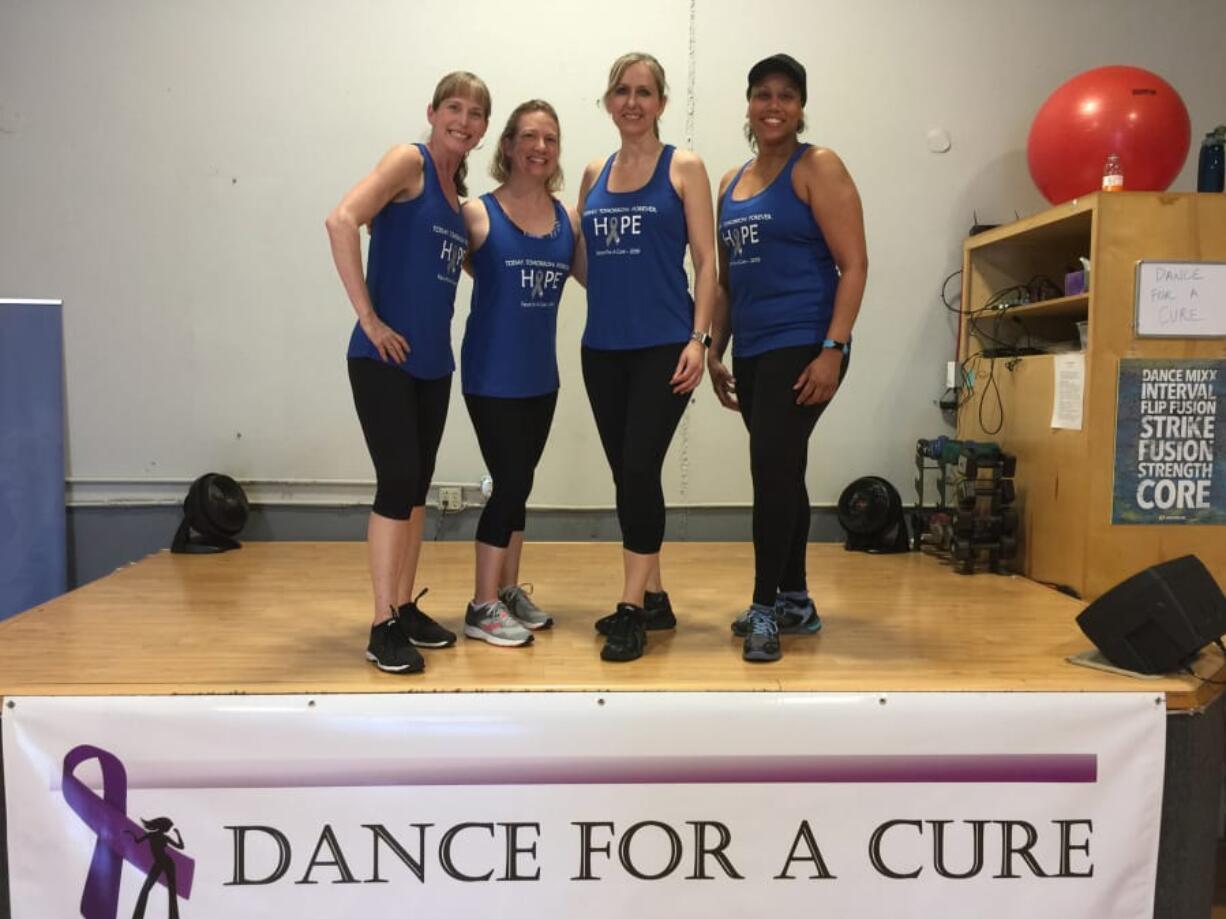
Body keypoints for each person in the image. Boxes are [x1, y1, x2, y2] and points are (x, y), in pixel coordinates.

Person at [325, 72, 491, 673]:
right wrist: (368, 318)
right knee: (396, 481)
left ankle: (402, 604)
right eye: (454, 107)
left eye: (475, 114)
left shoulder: (456, 196)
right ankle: (380, 622)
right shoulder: (409, 162)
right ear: (432, 111)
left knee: (415, 487)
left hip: (432, 364)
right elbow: (342, 220)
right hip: (383, 359)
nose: (463, 121)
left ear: (483, 129)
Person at [708, 54, 868, 663]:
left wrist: (833, 349)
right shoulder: (730, 182)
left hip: (805, 344)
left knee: (770, 471)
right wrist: (714, 352)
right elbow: (726, 283)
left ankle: (766, 607)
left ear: (801, 106)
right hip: (751, 351)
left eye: (787, 96)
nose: (774, 106)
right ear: (748, 104)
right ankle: (796, 597)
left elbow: (854, 264)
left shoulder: (817, 167)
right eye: (762, 95)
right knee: (784, 470)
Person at [576, 52, 717, 662]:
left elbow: (709, 262)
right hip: (602, 350)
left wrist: (698, 339)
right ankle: (654, 595)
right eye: (621, 91)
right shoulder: (593, 171)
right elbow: (584, 260)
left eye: (644, 92)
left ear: (660, 103)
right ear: (608, 101)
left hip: (665, 347)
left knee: (637, 470)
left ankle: (631, 609)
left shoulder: (683, 167)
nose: (632, 102)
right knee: (628, 476)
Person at [459, 100, 578, 647]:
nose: (540, 147)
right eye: (529, 136)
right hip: (490, 376)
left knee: (520, 486)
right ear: (507, 145)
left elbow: (606, 282)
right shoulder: (476, 215)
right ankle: (481, 605)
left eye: (550, 139)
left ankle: (506, 592)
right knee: (509, 483)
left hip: (541, 378)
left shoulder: (566, 221)